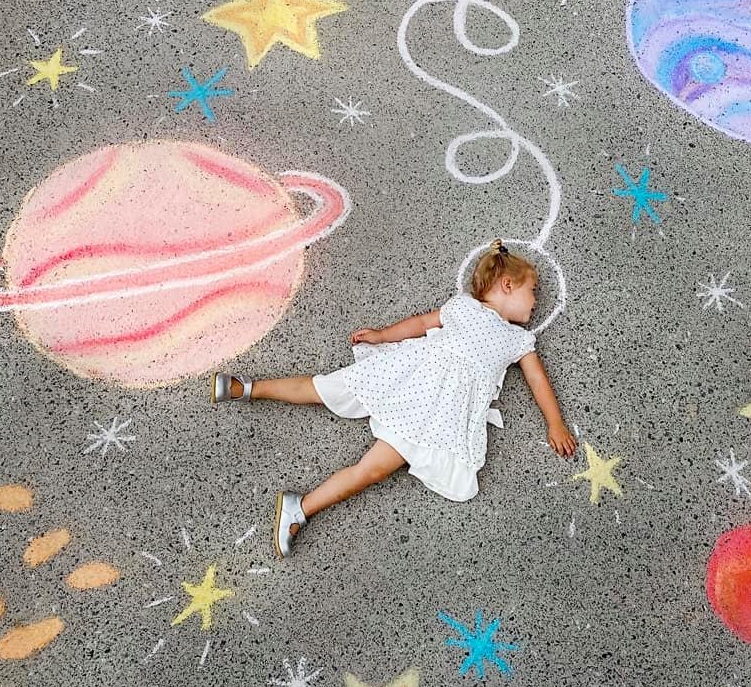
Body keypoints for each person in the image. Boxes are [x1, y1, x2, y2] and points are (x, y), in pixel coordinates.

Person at [209, 239, 577, 557]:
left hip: (434, 416)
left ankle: (301, 507)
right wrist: (383, 336)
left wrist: (555, 423)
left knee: (371, 470)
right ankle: (250, 387)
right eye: (533, 290)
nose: (536, 301)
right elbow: (422, 324)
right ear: (507, 285)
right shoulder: (463, 307)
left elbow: (537, 380)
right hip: (405, 376)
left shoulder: (517, 340)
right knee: (326, 388)